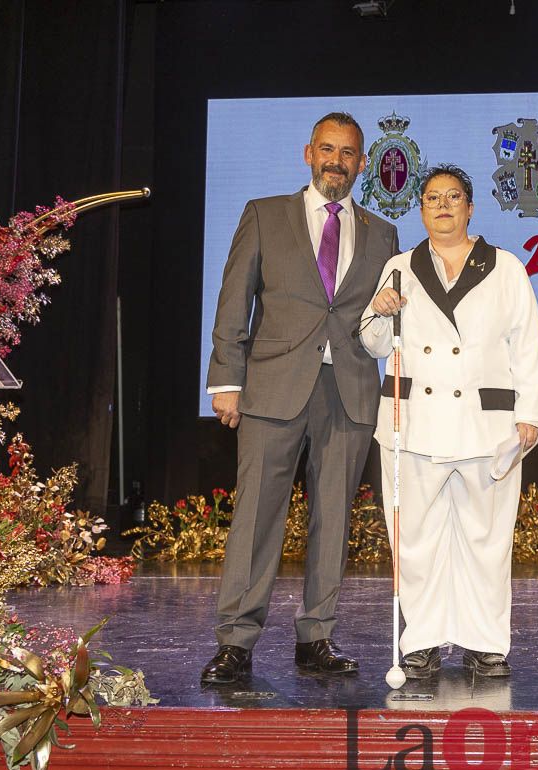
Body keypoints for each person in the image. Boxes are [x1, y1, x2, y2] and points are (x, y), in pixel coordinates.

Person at [202, 112, 399, 682]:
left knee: (334, 519)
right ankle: (236, 642)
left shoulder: (383, 233)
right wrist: (226, 381)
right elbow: (233, 299)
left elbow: (385, 316)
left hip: (351, 389)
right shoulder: (265, 215)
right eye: (328, 150)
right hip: (272, 387)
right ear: (308, 152)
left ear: (362, 164)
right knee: (258, 517)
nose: (337, 161)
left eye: (349, 153)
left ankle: (317, 636)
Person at [360, 164, 538, 678]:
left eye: (453, 197)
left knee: (486, 538)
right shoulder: (399, 266)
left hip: (484, 424)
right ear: (420, 210)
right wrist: (379, 310)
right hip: (413, 422)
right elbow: (373, 342)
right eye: (431, 198)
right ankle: (421, 641)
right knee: (414, 539)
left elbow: (529, 344)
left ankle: (485, 642)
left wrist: (532, 413)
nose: (442, 206)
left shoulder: (506, 267)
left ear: (470, 207)